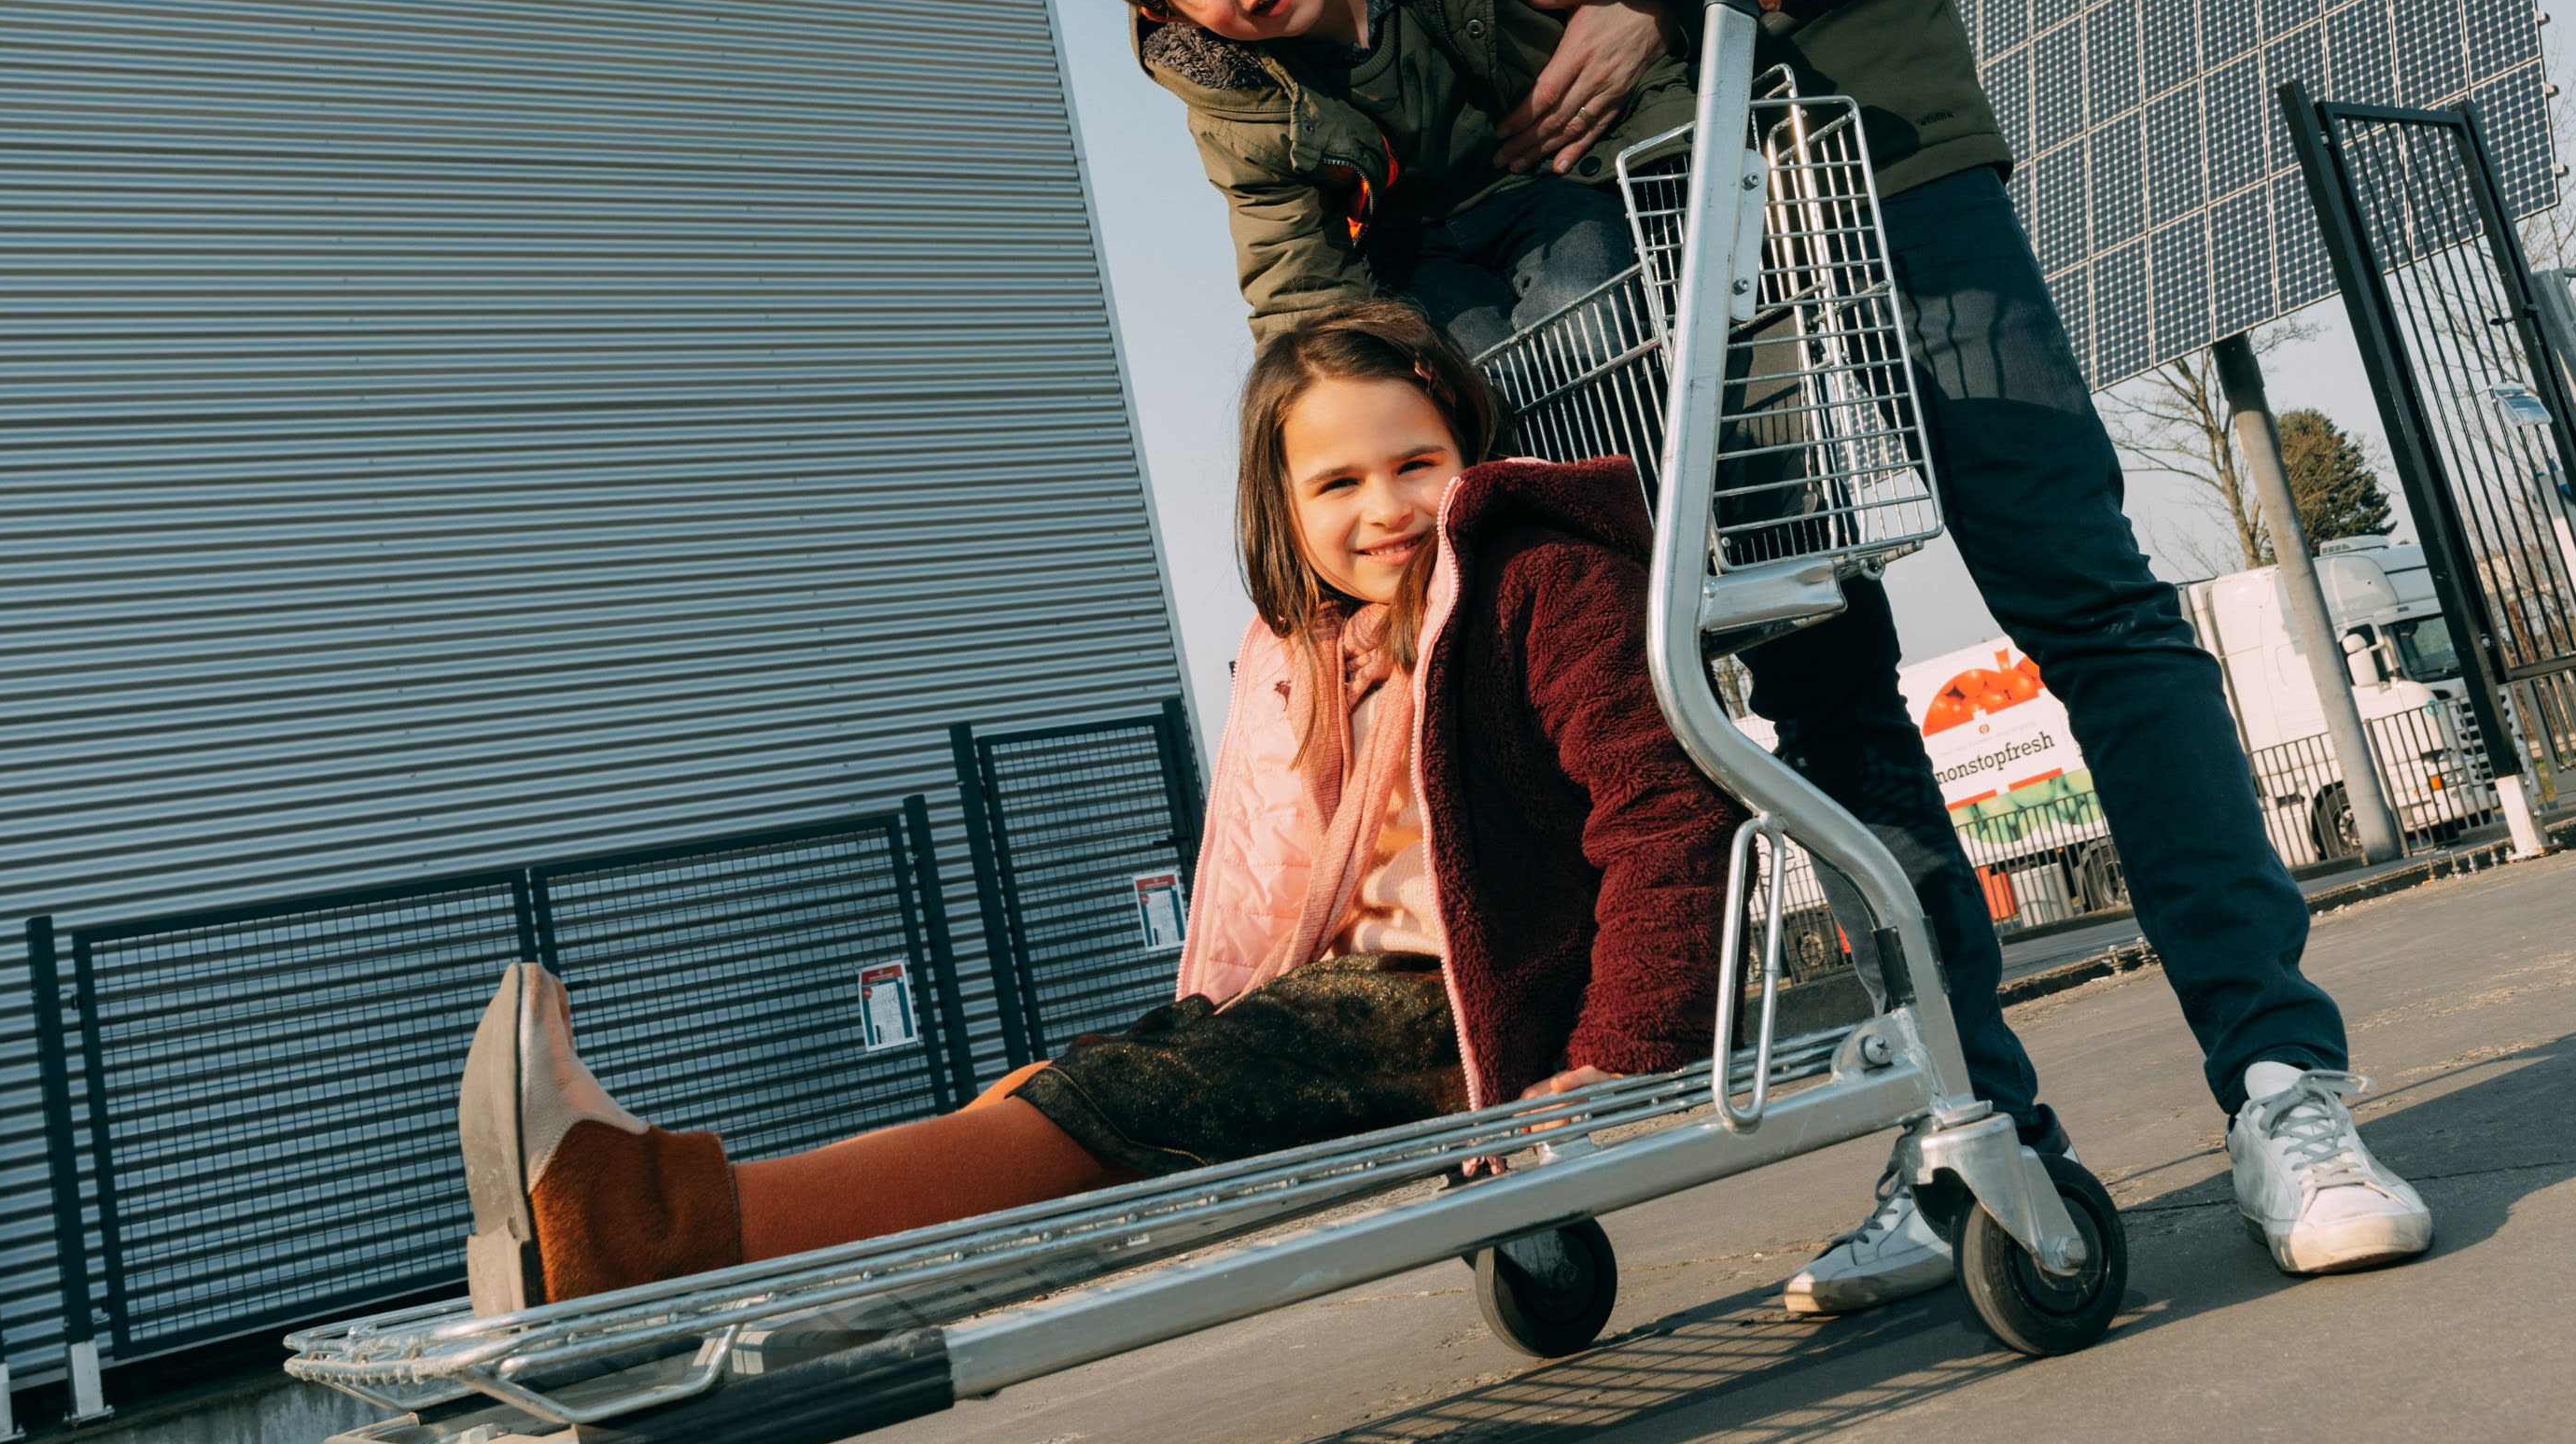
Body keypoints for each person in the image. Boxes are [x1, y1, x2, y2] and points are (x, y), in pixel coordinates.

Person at [1313, 0, 2432, 1305]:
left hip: (1866, 144)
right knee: (1817, 682)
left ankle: (2286, 1086)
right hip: (1636, 252)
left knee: (2083, 599)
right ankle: (1971, 1126)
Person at [457, 303, 1742, 1310]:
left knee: (1110, 1108)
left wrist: (1616, 1061)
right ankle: (659, 1213)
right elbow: (1264, 877)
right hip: (1355, 998)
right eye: (1336, 485)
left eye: (1417, 463)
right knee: (1081, 1079)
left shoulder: (1540, 584)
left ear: (1473, 458)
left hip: (1464, 1009)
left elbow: (1659, 817)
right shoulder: (1317, 651)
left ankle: (653, 1223)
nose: (1385, 507)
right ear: (1284, 514)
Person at [1047, 0, 1794, 349]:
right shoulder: (1238, 99)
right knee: (1463, 380)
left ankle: (1635, 501)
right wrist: (1321, 393)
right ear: (1164, 9)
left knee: (1585, 315)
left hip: (1564, 181)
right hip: (1419, 248)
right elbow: (1291, 269)